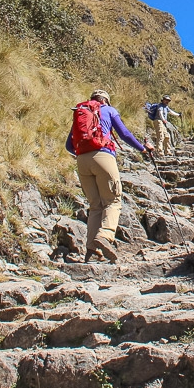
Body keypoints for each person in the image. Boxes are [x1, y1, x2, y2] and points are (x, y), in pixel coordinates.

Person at [66, 90, 154, 262]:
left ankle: (91, 251)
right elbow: (125, 134)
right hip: (104, 156)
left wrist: (83, 154)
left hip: (82, 160)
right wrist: (143, 148)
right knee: (113, 200)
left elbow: (69, 144)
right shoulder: (109, 110)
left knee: (95, 206)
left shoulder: (81, 112)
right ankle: (105, 236)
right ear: (105, 100)